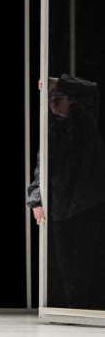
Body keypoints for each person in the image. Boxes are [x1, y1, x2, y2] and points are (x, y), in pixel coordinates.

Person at [28, 75, 105, 308]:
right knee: (65, 262)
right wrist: (35, 200)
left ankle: (81, 307)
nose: (53, 103)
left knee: (84, 259)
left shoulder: (84, 117)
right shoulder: (50, 128)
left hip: (87, 200)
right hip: (61, 203)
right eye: (50, 99)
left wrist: (55, 82)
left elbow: (92, 88)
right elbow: (42, 165)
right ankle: (72, 307)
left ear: (70, 100)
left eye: (58, 98)